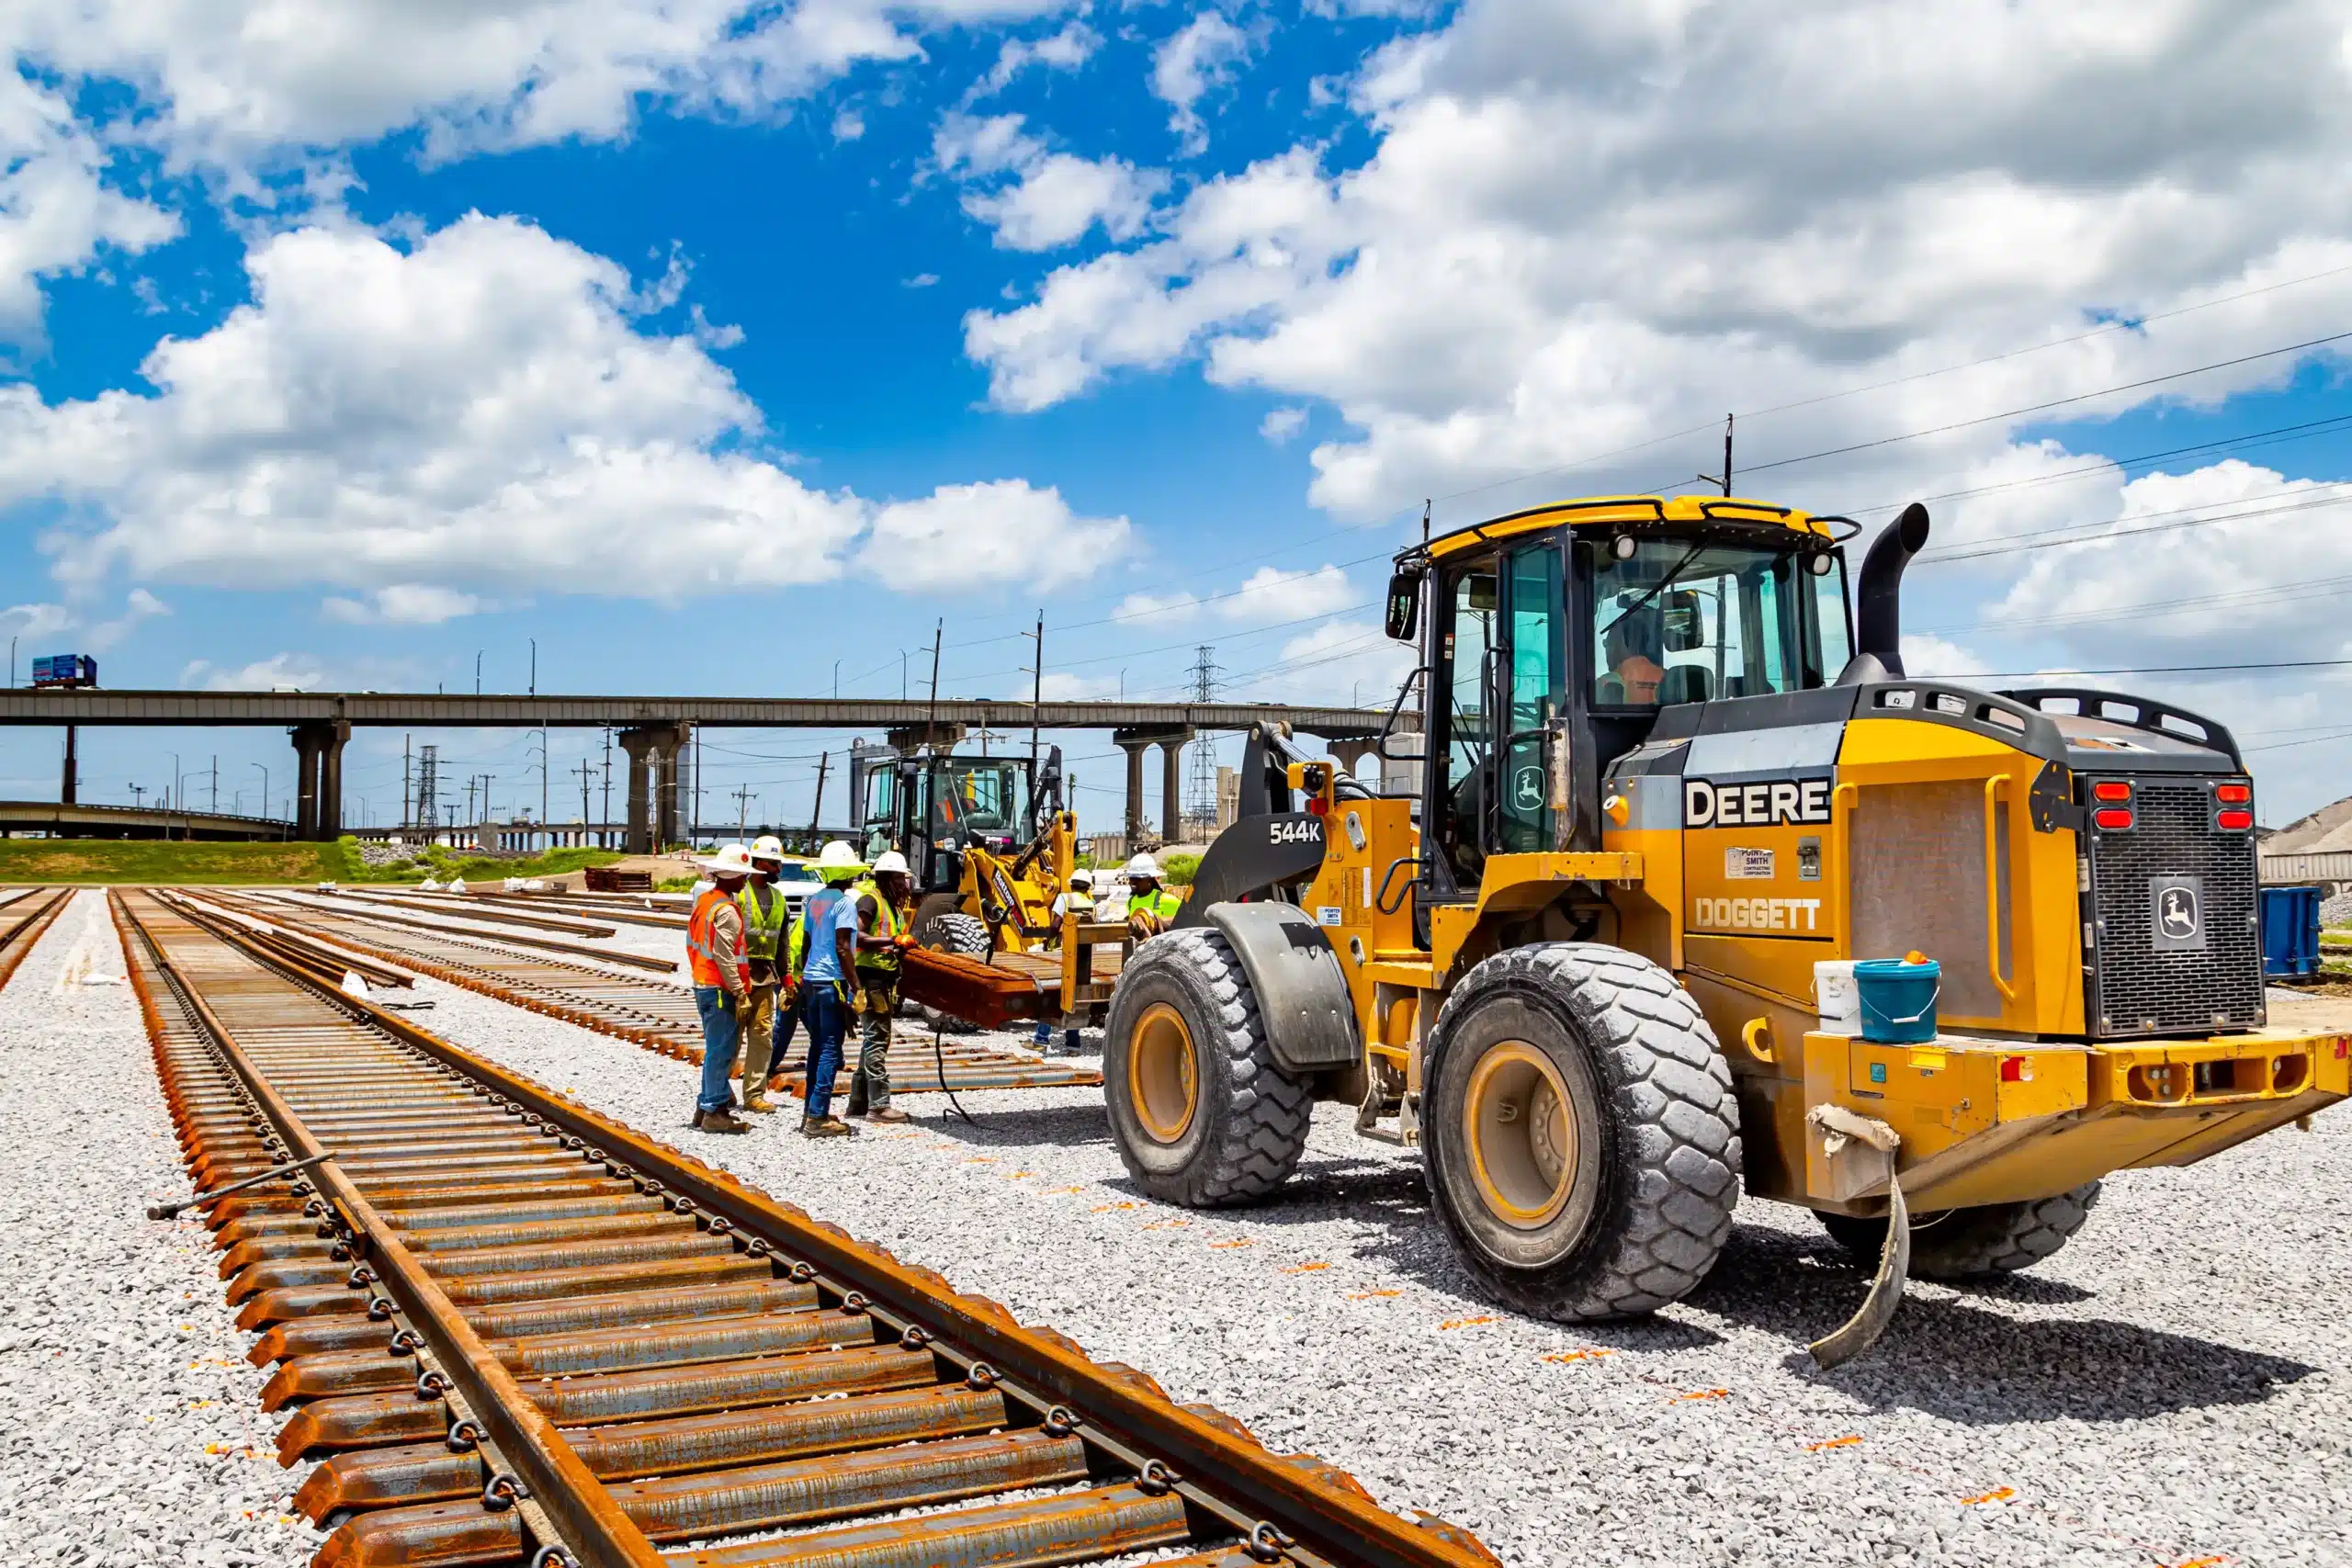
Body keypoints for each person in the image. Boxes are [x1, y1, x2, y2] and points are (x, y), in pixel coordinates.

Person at [786, 841, 867, 1138]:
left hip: (811, 981)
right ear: (849, 873)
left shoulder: (815, 900)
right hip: (831, 982)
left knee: (817, 1046)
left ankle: (811, 1109)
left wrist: (802, 976)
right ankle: (818, 1118)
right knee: (831, 1050)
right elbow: (843, 946)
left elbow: (806, 945)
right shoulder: (845, 904)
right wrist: (856, 986)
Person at [841, 849, 916, 1123]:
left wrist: (897, 946)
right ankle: (879, 1106)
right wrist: (893, 941)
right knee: (877, 1040)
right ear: (887, 878)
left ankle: (858, 1103)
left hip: (883, 978)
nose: (905, 884)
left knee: (872, 1040)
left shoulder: (892, 904)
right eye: (900, 879)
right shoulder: (870, 901)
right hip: (870, 979)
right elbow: (856, 936)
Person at [685, 842, 756, 1134]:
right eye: (742, 875)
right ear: (729, 875)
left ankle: (706, 1107)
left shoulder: (705, 902)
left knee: (717, 1049)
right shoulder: (726, 910)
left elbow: (694, 945)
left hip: (704, 983)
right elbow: (725, 954)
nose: (746, 879)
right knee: (721, 1050)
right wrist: (739, 991)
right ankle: (715, 1110)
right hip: (718, 988)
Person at [733, 837, 794, 1115]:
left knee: (762, 1036)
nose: (778, 868)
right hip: (735, 977)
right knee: (730, 1039)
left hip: (765, 977)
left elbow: (783, 944)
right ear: (758, 863)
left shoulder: (779, 899)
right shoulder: (738, 894)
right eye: (774, 863)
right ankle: (720, 1093)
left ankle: (754, 1094)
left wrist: (788, 978)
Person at [1035, 868, 1095, 1050]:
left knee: (1053, 994)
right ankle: (1073, 1044)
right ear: (1087, 887)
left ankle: (1041, 1039)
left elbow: (1055, 924)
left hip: (1063, 952)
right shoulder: (1091, 903)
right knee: (1074, 997)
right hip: (1083, 955)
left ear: (1071, 884)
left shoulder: (1064, 898)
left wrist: (1047, 940)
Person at [1600, 610, 1666, 705]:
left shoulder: (1603, 684)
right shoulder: (1667, 678)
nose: (1607, 649)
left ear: (1620, 644)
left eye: (1607, 643)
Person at [1123, 852, 1182, 941]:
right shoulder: (1130, 903)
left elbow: (1187, 919)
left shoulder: (1168, 900)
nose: (1132, 882)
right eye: (1131, 878)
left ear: (1150, 880)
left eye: (1138, 879)